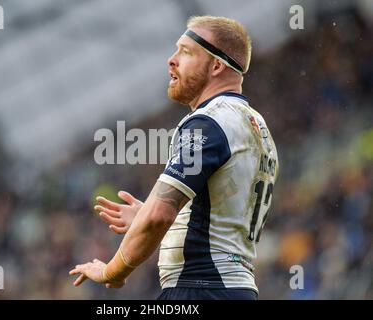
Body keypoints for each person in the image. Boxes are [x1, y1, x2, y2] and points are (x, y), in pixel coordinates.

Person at [69, 15, 279, 300]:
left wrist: (113, 272)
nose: (171, 59)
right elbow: (217, 223)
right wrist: (154, 218)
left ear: (217, 65)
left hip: (198, 290)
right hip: (236, 289)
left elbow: (159, 216)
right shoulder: (257, 127)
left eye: (186, 52)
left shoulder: (208, 123)